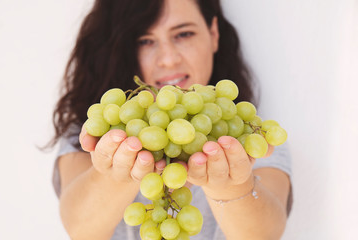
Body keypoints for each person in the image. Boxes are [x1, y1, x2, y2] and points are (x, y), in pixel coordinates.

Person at [50, 0, 292, 239]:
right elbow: (81, 230)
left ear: (213, 33)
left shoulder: (246, 133)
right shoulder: (99, 131)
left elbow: (265, 234)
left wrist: (233, 187)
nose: (168, 59)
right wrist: (114, 175)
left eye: (184, 34)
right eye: (145, 41)